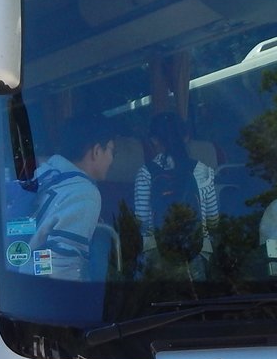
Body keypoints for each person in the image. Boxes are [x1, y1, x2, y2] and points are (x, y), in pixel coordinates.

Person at [23, 117, 116, 281]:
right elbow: (63, 266)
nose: (112, 160)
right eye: (111, 150)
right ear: (96, 151)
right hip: (42, 295)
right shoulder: (84, 193)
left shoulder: (47, 173)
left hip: (20, 280)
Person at [133, 112, 219, 268]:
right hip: (198, 252)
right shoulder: (203, 171)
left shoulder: (145, 173)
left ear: (153, 140)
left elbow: (142, 222)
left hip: (159, 256)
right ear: (186, 137)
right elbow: (213, 220)